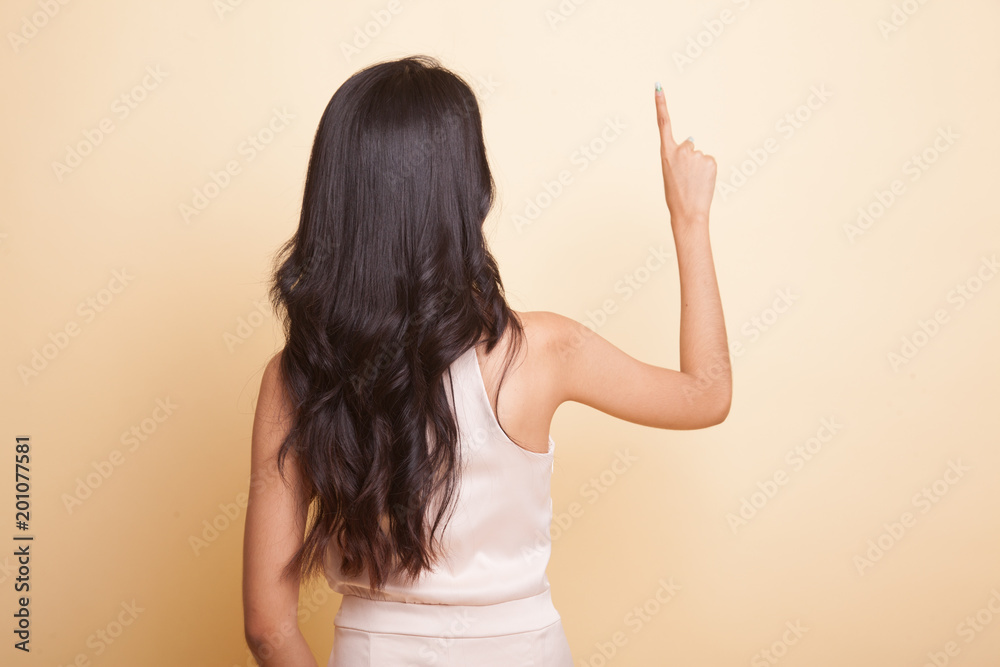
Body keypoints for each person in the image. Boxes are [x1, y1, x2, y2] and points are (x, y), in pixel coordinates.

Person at [242, 55, 731, 666]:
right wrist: (690, 218)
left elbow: (267, 628)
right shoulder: (541, 351)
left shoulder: (297, 378)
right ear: (469, 194)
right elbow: (707, 393)